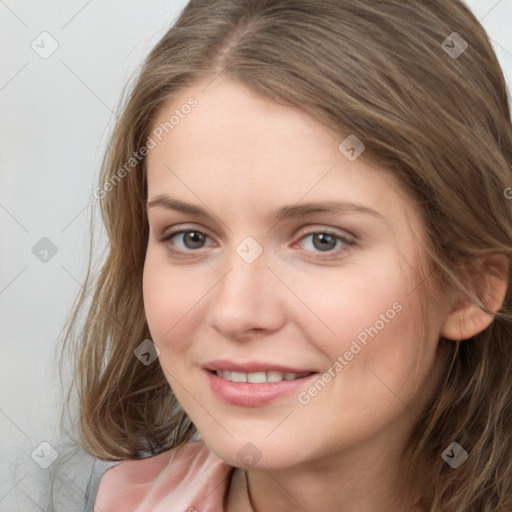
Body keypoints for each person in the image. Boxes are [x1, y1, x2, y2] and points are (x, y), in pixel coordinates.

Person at [60, 0, 512, 510]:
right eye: (190, 237)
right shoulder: (96, 498)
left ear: (471, 287)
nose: (235, 312)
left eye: (323, 240)